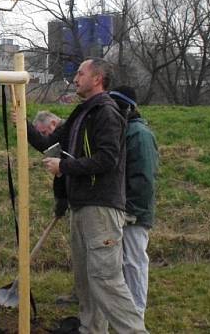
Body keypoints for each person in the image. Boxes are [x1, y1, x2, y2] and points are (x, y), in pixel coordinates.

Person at [27, 59, 147, 333]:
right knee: (86, 281)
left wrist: (64, 167)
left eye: (81, 73)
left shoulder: (106, 112)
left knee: (106, 280)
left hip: (101, 208)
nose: (75, 77)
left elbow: (108, 159)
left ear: (98, 78)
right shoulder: (81, 113)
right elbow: (48, 144)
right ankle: (91, 329)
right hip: (81, 206)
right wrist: (19, 118)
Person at [109, 86, 159, 320]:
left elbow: (144, 178)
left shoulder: (139, 134)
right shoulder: (123, 131)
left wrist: (133, 211)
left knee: (135, 261)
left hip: (135, 211)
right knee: (122, 261)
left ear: (127, 108)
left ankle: (137, 310)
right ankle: (124, 307)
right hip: (120, 207)